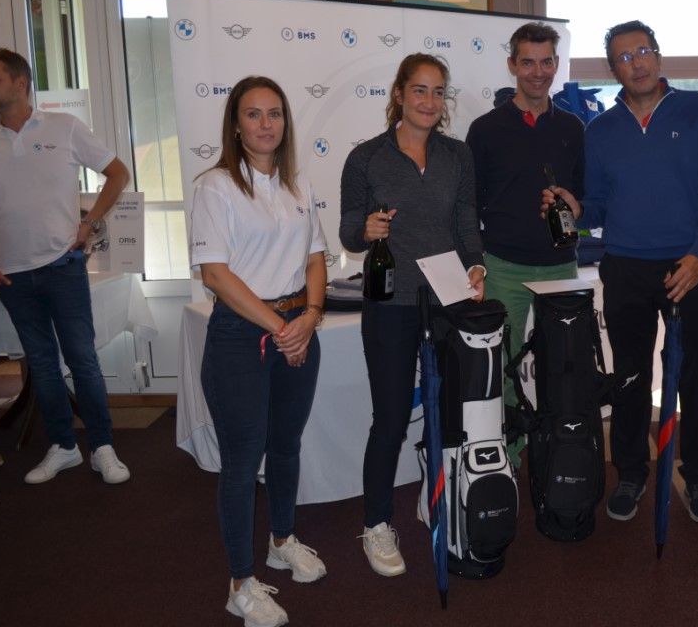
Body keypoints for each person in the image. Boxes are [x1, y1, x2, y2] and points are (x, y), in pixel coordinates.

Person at [543, 20, 698, 524]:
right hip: (625, 266)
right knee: (629, 375)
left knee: (695, 376)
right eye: (624, 58)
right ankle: (630, 473)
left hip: (687, 265)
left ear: (658, 55)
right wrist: (577, 209)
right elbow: (600, 205)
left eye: (643, 51)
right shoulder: (601, 130)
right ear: (613, 70)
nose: (636, 63)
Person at [340, 53, 485, 576]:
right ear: (399, 94)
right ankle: (376, 523)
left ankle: (437, 496)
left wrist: (477, 265)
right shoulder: (366, 158)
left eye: (438, 91)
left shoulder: (458, 154)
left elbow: (466, 220)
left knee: (451, 412)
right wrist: (366, 231)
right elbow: (348, 231)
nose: (429, 100)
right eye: (419, 90)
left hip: (447, 300)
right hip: (390, 303)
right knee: (391, 418)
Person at [190, 75, 328, 627]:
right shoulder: (216, 187)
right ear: (235, 124)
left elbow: (315, 257)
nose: (266, 124)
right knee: (243, 461)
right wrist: (281, 328)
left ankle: (282, 541)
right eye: (253, 114)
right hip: (241, 334)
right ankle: (240, 583)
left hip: (297, 324)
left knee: (287, 444)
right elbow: (215, 274)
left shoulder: (298, 185)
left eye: (275, 113)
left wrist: (309, 318)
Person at [0, 48, 132, 485]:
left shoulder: (64, 126)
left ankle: (102, 447)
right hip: (11, 275)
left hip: (62, 264)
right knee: (41, 364)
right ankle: (63, 446)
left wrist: (90, 223)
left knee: (82, 359)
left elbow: (118, 173)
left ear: (20, 83)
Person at [466, 21, 584, 462]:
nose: (538, 72)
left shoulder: (573, 127)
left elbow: (586, 198)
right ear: (512, 65)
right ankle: (511, 456)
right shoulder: (485, 129)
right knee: (504, 369)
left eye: (546, 62)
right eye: (528, 62)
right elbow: (469, 203)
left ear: (556, 64)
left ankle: (558, 452)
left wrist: (575, 205)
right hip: (504, 267)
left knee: (564, 367)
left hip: (561, 267)